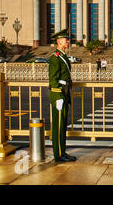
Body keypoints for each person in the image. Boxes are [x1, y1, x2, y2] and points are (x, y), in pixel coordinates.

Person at [48, 29, 76, 163]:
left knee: (62, 125)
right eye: (65, 40)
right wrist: (58, 95)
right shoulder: (55, 58)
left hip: (63, 93)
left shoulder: (62, 56)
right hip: (58, 94)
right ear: (59, 42)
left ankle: (62, 151)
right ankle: (58, 155)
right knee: (58, 126)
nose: (68, 41)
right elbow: (53, 78)